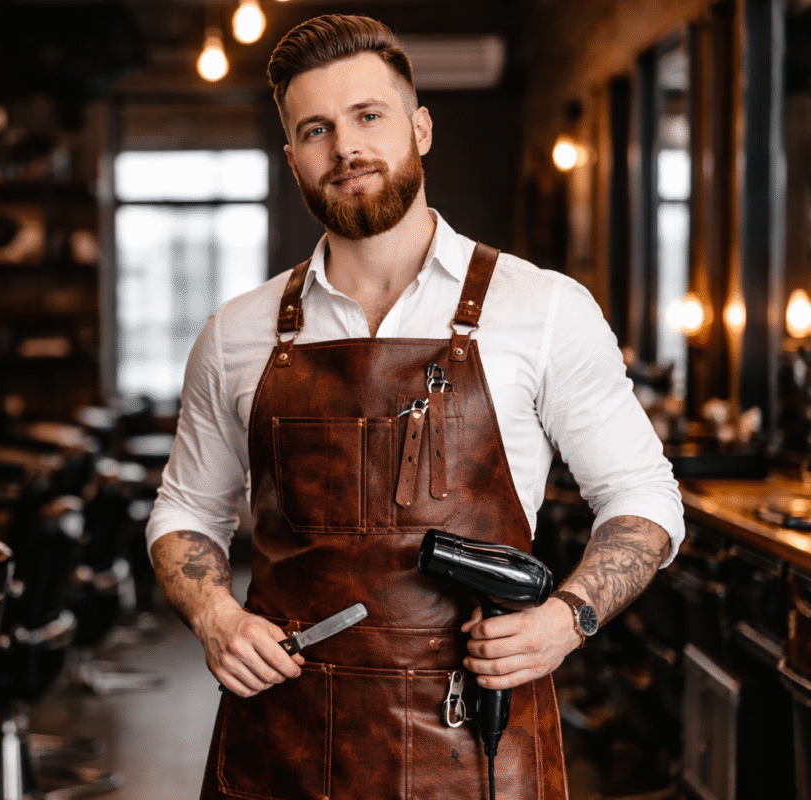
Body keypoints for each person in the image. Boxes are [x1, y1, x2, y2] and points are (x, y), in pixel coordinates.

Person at [146, 13, 684, 800]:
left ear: (420, 128)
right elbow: (184, 512)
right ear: (292, 154)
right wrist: (215, 618)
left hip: (476, 743)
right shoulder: (237, 334)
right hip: (281, 743)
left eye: (369, 117)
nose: (346, 148)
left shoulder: (542, 309)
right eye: (316, 129)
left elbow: (645, 499)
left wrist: (564, 621)